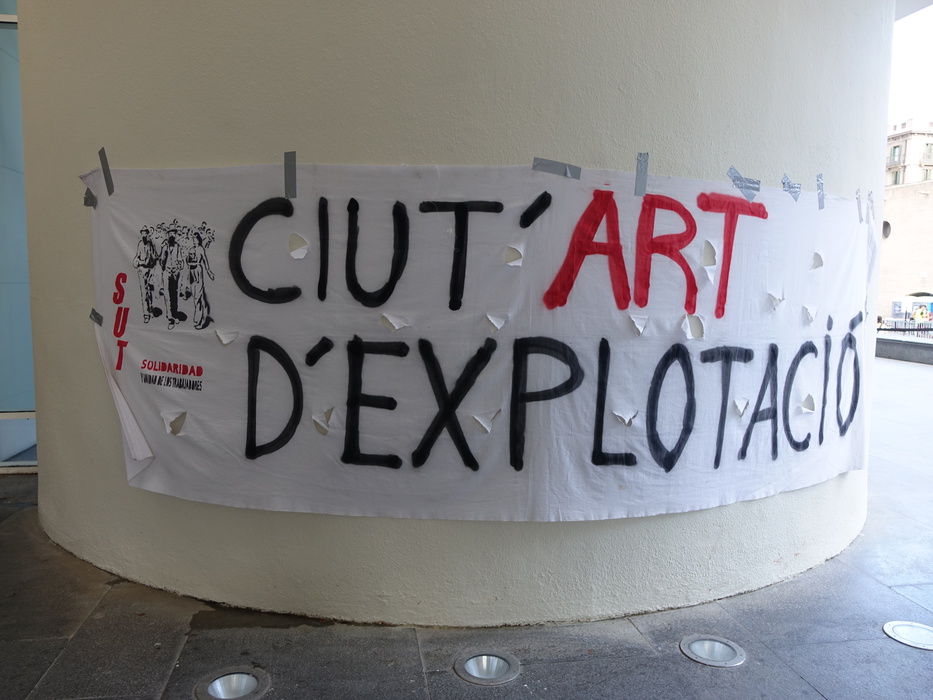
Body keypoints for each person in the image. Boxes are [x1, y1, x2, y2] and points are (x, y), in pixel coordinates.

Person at [132, 227, 161, 322]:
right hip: (142, 270)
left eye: (145, 233)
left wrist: (141, 262)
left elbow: (150, 259)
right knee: (144, 293)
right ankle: (146, 314)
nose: (144, 235)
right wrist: (137, 261)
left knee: (149, 291)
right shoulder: (140, 244)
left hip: (149, 270)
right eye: (143, 233)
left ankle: (150, 309)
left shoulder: (150, 244)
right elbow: (138, 255)